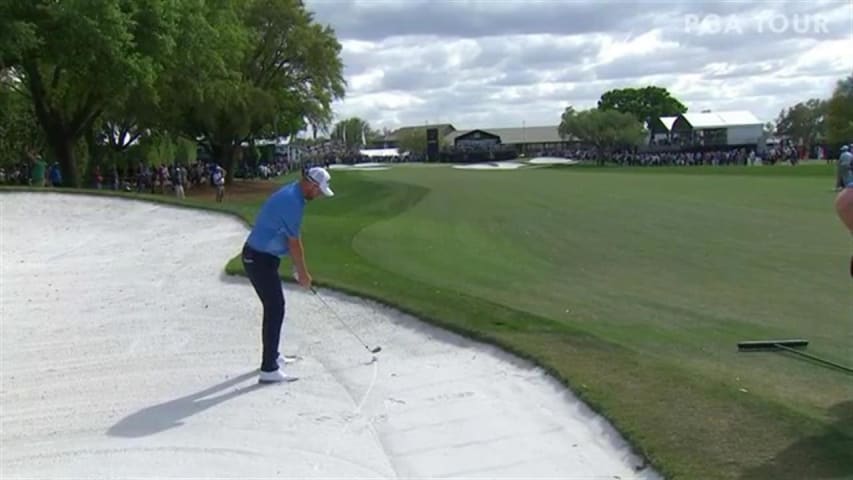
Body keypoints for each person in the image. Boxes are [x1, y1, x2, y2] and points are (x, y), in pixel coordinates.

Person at [241, 167, 335, 383]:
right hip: (257, 259)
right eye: (319, 190)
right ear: (311, 184)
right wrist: (303, 273)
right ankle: (269, 369)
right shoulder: (292, 202)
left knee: (274, 307)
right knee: (275, 307)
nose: (319, 195)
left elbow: (284, 235)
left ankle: (272, 356)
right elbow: (295, 243)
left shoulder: (294, 194)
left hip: (263, 258)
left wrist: (296, 267)